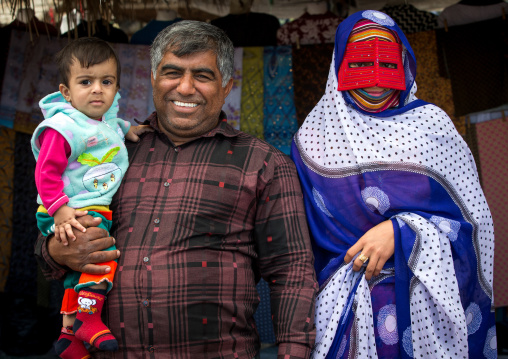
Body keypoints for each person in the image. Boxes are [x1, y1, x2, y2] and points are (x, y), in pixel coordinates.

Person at [35, 20, 318, 358]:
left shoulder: (263, 164)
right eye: (172, 73)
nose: (185, 88)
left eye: (203, 75)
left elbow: (292, 272)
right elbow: (49, 238)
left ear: (227, 86)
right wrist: (56, 250)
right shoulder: (112, 153)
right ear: (153, 78)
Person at [290, 10, 496, 359]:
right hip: (339, 319)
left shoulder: (433, 127)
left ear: (405, 64)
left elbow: (475, 226)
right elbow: (298, 244)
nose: (375, 79)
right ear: (338, 65)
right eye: (358, 64)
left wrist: (402, 232)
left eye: (388, 65)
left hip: (427, 316)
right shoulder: (313, 137)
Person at [31, 37, 152, 358]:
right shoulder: (62, 128)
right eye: (86, 82)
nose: (97, 89)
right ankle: (88, 318)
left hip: (87, 206)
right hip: (66, 210)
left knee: (75, 271)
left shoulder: (103, 117)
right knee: (103, 256)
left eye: (107, 81)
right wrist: (59, 212)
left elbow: (109, 127)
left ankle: (68, 335)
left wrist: (129, 130)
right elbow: (45, 173)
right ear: (66, 92)